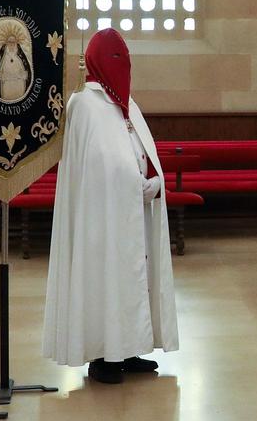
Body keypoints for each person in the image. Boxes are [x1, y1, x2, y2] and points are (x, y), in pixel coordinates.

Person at [42, 30, 178, 383]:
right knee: (104, 277)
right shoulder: (83, 105)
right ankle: (103, 356)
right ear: (95, 62)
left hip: (133, 213)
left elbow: (141, 153)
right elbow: (93, 166)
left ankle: (130, 348)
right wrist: (132, 186)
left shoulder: (128, 104)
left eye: (125, 58)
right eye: (113, 58)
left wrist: (154, 181)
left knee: (134, 278)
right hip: (99, 220)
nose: (121, 66)